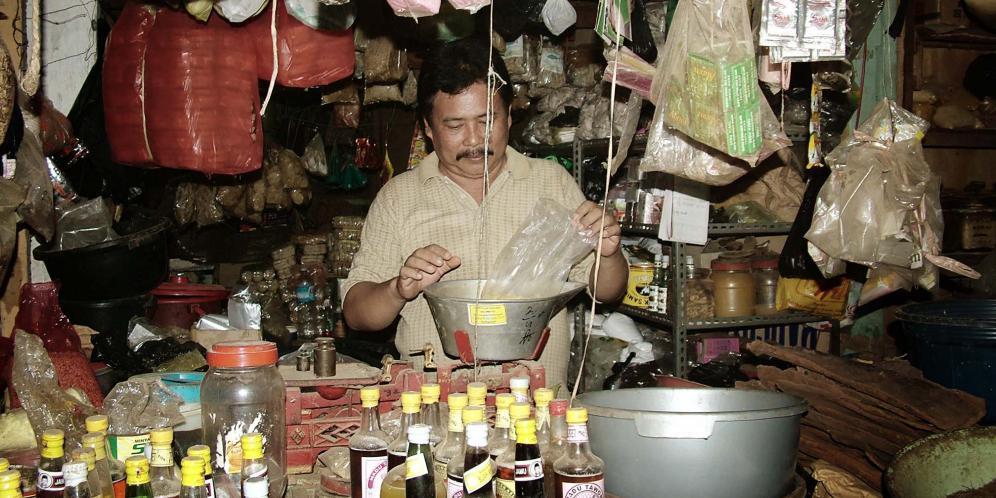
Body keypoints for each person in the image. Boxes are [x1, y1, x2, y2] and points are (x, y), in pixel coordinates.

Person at [342, 39, 628, 387]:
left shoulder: (550, 182)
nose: (475, 139)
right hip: (435, 413)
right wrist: (397, 289)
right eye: (455, 125)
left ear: (509, 115)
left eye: (487, 120)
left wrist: (608, 253)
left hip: (534, 409)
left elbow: (608, 291)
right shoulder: (399, 198)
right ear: (428, 129)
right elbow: (356, 313)